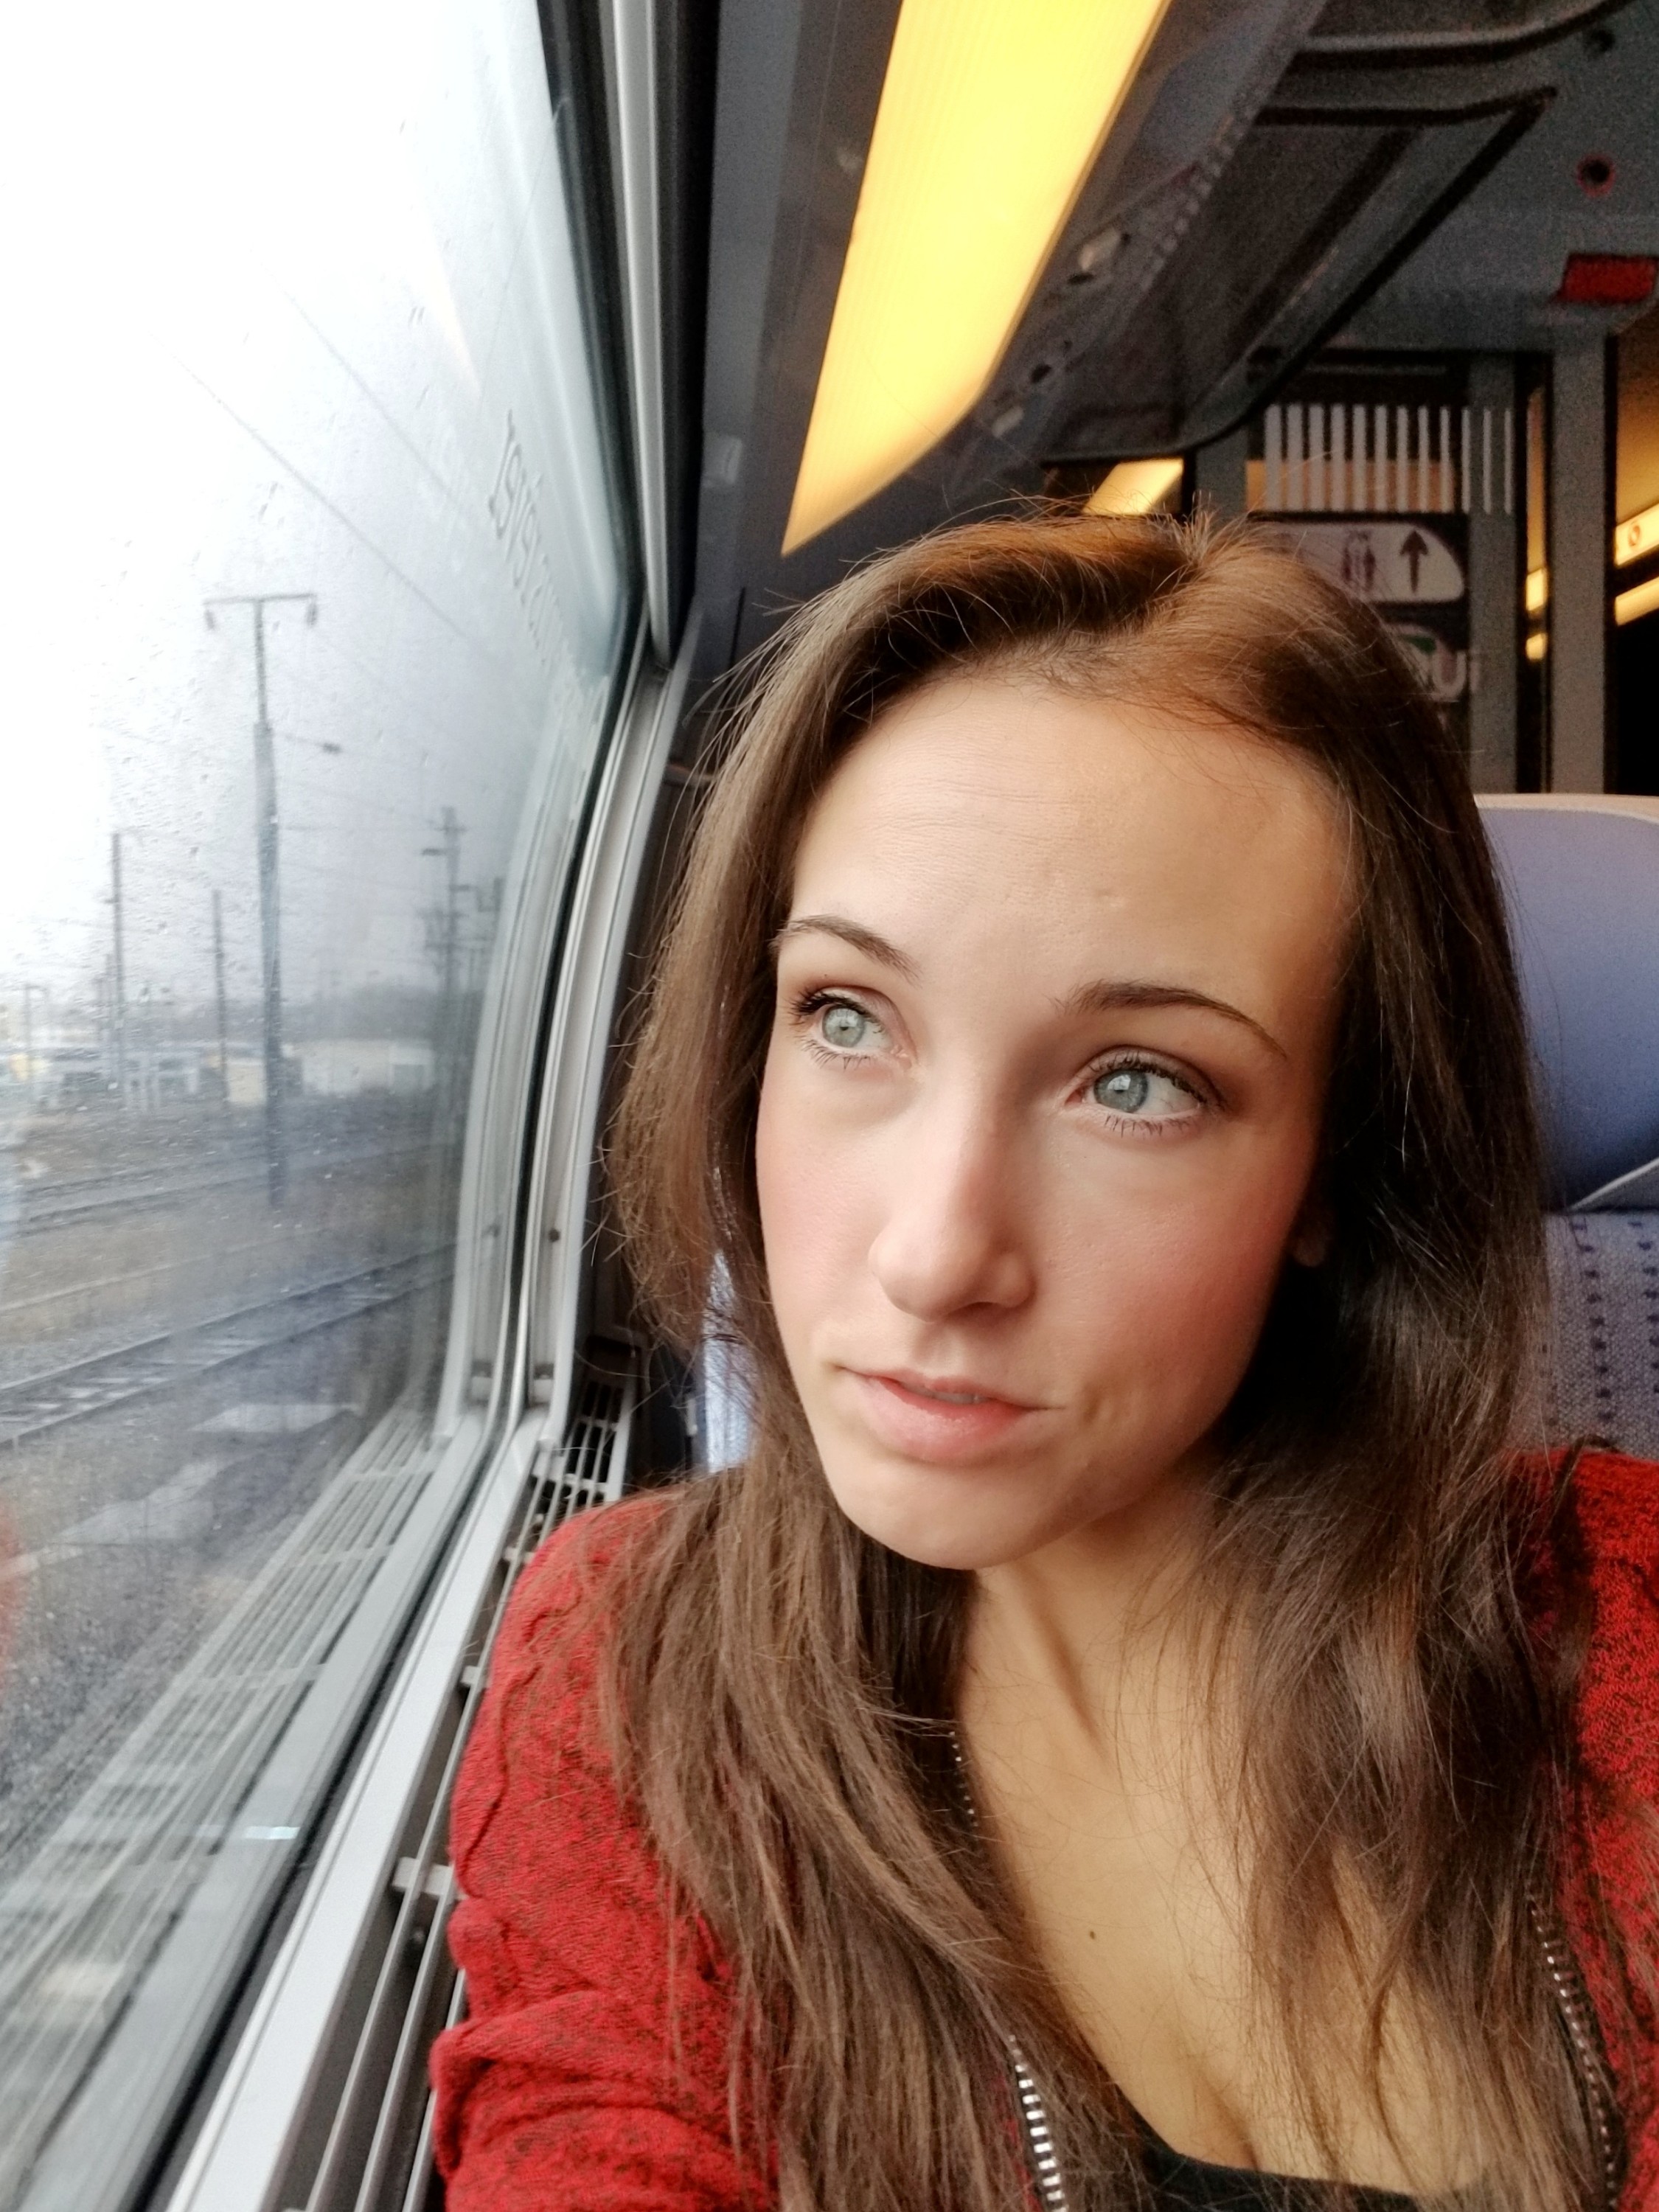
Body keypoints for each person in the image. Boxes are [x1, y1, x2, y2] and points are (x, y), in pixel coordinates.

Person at [431, 514, 1659, 2212]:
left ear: (1332, 1165)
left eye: (1138, 1082)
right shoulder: (641, 1685)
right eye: (848, 1018)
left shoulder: (1617, 1635)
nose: (936, 1254)